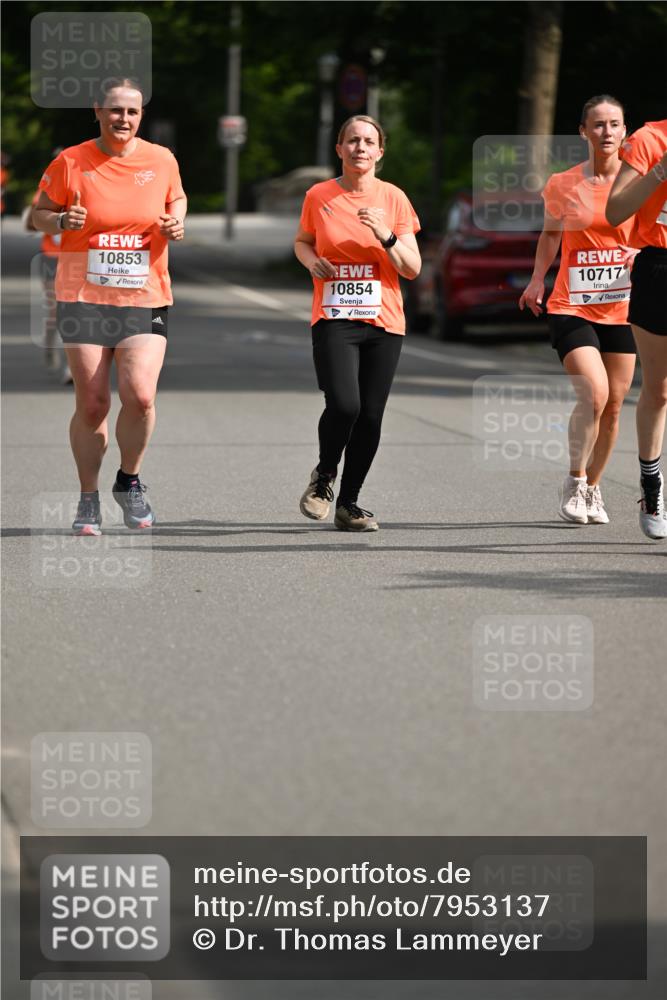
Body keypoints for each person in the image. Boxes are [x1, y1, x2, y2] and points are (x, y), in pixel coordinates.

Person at [32, 77, 186, 535]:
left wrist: (175, 221)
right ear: (97, 111)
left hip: (145, 294)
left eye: (133, 112)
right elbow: (40, 211)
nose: (124, 119)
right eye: (115, 110)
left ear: (141, 116)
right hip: (83, 295)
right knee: (94, 403)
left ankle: (129, 480)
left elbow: (177, 197)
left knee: (140, 395)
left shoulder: (161, 160)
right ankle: (87, 498)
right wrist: (60, 219)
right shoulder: (71, 161)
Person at [294, 115, 421, 531]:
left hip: (384, 320)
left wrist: (386, 234)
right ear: (339, 149)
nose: (360, 148)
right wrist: (313, 262)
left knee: (370, 416)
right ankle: (324, 477)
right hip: (333, 316)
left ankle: (349, 504)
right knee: (345, 404)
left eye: (368, 141)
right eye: (352, 141)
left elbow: (413, 268)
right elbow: (303, 241)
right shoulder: (319, 195)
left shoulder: (394, 199)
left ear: (380, 152)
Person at [520, 95, 638, 525]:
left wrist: (639, 251)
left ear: (625, 131)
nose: (607, 132)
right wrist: (537, 278)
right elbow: (551, 236)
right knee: (595, 391)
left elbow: (655, 232)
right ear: (583, 132)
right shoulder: (564, 183)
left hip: (623, 306)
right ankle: (574, 478)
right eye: (598, 125)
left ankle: (593, 487)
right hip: (572, 304)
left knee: (615, 405)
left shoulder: (639, 184)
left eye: (614, 124)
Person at [606, 119, 667, 540]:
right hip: (659, 268)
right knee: (659, 390)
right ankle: (651, 485)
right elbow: (615, 210)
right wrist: (661, 171)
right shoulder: (649, 140)